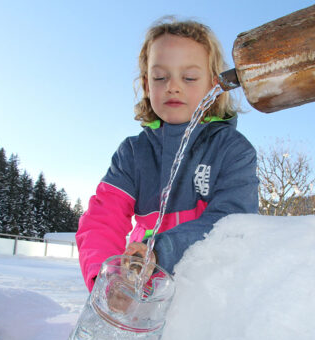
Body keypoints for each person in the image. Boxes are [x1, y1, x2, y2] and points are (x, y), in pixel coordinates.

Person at [76, 18, 259, 291]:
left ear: (213, 84)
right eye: (160, 77)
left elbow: (232, 222)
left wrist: (161, 250)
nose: (173, 86)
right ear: (147, 85)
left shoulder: (232, 151)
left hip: (207, 294)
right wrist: (107, 279)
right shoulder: (133, 153)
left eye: (189, 78)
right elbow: (101, 221)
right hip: (141, 289)